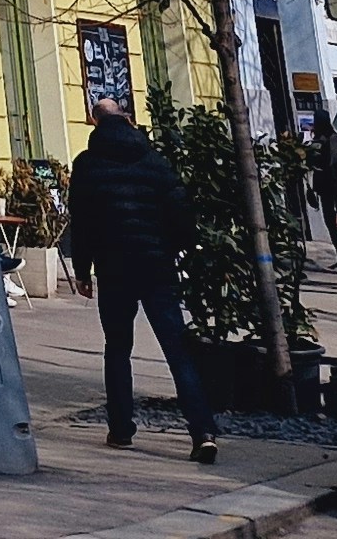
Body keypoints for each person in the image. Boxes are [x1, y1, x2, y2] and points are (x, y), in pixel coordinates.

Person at [71, 101, 216, 462]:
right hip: (156, 266)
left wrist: (82, 270)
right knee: (177, 350)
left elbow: (82, 221)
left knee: (118, 349)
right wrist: (175, 249)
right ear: (129, 119)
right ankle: (202, 432)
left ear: (94, 120)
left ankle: (121, 430)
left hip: (113, 268)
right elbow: (181, 211)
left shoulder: (87, 164)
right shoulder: (154, 161)